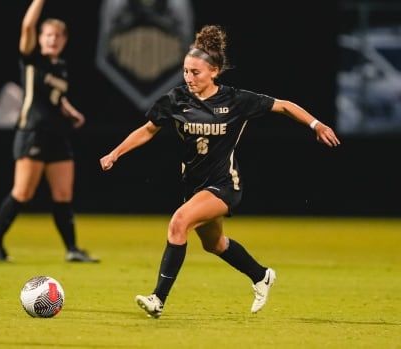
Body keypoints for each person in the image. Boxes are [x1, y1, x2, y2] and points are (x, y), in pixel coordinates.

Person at [100, 25, 340, 318]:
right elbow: (148, 130)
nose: (189, 77)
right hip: (195, 185)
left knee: (178, 222)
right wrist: (115, 153)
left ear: (214, 71)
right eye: (186, 71)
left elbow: (284, 106)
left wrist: (316, 125)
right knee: (215, 244)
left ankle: (157, 299)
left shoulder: (236, 100)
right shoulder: (176, 99)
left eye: (195, 72)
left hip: (225, 184)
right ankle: (261, 275)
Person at [0, 0, 99, 263]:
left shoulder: (61, 66)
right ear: (40, 38)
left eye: (58, 36)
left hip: (58, 135)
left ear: (64, 40)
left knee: (63, 195)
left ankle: (72, 249)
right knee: (22, 193)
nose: (53, 40)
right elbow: (27, 25)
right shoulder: (32, 59)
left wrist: (71, 111)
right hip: (32, 132)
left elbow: (56, 97)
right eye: (48, 35)